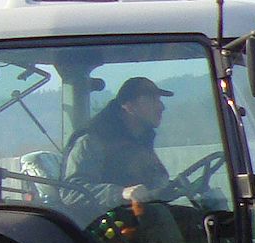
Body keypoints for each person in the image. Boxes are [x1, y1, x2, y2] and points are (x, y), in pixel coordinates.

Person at [63, 76, 174, 207]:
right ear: (129, 106)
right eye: (151, 99)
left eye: (159, 100)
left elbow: (157, 183)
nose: (161, 107)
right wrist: (121, 193)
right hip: (105, 223)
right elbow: (72, 193)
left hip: (145, 217)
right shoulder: (91, 141)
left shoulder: (141, 141)